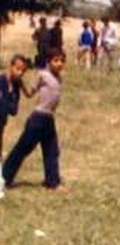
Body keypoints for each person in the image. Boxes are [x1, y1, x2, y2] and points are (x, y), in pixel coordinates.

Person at [2, 48, 69, 192]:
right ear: (48, 61)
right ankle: (4, 178)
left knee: (51, 150)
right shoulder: (42, 75)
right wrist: (19, 83)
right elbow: (29, 93)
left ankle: (52, 182)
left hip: (49, 118)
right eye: (56, 60)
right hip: (37, 119)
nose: (59, 64)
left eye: (62, 61)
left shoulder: (59, 78)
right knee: (22, 148)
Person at [0, 55, 32, 198]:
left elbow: (14, 110)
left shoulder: (16, 86)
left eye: (23, 71)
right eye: (18, 69)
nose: (20, 73)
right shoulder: (1, 81)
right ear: (11, 66)